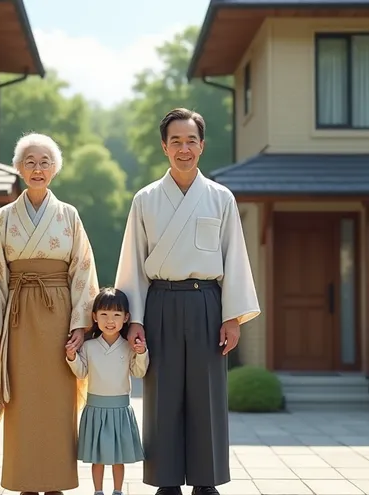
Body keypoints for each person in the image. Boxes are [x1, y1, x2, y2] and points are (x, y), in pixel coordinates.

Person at [114, 108, 261, 495]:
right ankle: (165, 481)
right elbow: (132, 261)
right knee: (161, 394)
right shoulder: (145, 199)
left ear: (202, 145)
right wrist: (136, 321)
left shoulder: (220, 198)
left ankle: (206, 480)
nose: (184, 148)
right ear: (164, 146)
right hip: (160, 300)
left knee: (207, 395)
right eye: (175, 141)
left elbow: (235, 258)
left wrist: (232, 318)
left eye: (191, 140)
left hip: (207, 303)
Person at [0, 132, 99, 495]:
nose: (38, 168)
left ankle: (56, 482)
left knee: (58, 402)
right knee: (22, 401)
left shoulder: (69, 215)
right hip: (18, 317)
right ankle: (24, 480)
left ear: (54, 169)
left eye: (44, 162)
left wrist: (80, 325)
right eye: (30, 162)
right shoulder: (4, 217)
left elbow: (83, 270)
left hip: (59, 314)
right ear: (19, 169)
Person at [65, 287, 148, 495]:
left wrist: (142, 353)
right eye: (103, 314)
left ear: (126, 318)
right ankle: (98, 491)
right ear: (94, 316)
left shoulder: (129, 347)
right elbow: (82, 373)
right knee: (98, 456)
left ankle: (118, 491)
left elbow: (139, 372)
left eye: (116, 315)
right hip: (95, 409)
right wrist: (72, 357)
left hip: (120, 409)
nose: (110, 320)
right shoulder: (88, 346)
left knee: (118, 457)